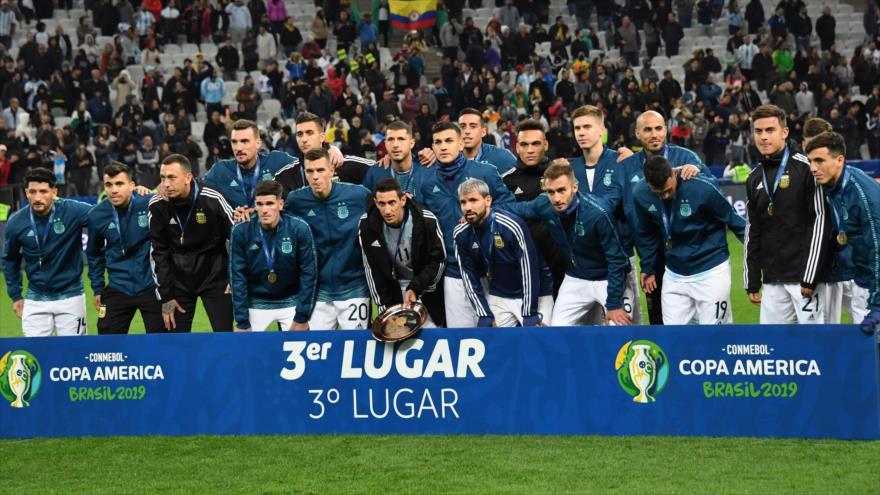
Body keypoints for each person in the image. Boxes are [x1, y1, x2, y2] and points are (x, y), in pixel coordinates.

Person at [502, 164, 633, 326]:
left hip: (608, 279)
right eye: (551, 192)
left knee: (620, 329)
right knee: (558, 330)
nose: (556, 198)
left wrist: (613, 303)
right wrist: (486, 210)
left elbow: (617, 260)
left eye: (562, 190)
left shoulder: (597, 213)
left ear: (575, 187)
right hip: (576, 278)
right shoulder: (544, 205)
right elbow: (518, 209)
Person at [618, 110, 713, 324]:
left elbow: (712, 190)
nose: (654, 134)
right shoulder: (625, 167)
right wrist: (648, 265)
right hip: (652, 256)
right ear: (637, 133)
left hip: (691, 254)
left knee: (699, 319)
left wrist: (697, 169)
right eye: (648, 130)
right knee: (659, 320)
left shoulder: (686, 157)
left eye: (658, 128)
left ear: (666, 130)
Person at [553, 106, 641, 322]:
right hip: (583, 265)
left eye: (587, 127)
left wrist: (635, 164)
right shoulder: (570, 170)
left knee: (626, 332)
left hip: (619, 261)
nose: (581, 133)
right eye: (577, 128)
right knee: (580, 333)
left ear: (601, 130)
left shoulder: (621, 161)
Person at [634, 156, 746, 324]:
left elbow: (736, 222)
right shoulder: (640, 193)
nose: (664, 196)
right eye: (659, 193)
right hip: (674, 273)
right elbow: (647, 234)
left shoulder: (701, 187)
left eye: (668, 190)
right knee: (674, 337)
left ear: (673, 174)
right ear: (648, 184)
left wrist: (759, 257)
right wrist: (648, 268)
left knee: (715, 336)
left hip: (711, 269)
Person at [744, 105, 830, 324]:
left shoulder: (806, 168)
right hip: (772, 281)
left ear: (784, 132)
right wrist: (752, 278)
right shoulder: (754, 178)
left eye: (770, 130)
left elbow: (820, 221)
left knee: (816, 347)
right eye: (758, 131)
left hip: (805, 280)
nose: (763, 137)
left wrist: (810, 277)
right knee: (773, 349)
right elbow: (753, 230)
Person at [428, 121, 516, 328]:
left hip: (490, 268)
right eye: (438, 142)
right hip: (453, 271)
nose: (443, 146)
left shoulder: (485, 172)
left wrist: (485, 214)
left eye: (449, 141)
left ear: (460, 144)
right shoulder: (425, 181)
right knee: (461, 337)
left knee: (498, 334)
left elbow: (509, 205)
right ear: (432, 147)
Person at [283, 148, 371, 330]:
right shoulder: (295, 201)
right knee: (318, 353)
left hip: (354, 287)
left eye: (320, 170)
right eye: (310, 171)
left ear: (332, 170)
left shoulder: (358, 195)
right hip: (318, 292)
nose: (315, 176)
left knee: (356, 349)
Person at [149, 154, 235, 332]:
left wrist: (235, 277)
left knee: (225, 337)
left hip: (215, 278)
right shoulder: (157, 205)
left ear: (188, 178)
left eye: (172, 177)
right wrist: (166, 297)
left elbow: (236, 237)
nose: (165, 184)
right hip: (178, 283)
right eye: (163, 178)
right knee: (176, 343)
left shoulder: (212, 198)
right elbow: (158, 253)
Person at [2, 168, 92, 336]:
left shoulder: (72, 211)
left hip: (71, 296)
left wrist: (136, 195)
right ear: (25, 193)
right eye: (32, 192)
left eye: (43, 191)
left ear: (54, 192)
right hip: (35, 297)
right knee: (36, 355)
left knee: (75, 354)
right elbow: (9, 260)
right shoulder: (16, 221)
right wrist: (15, 295)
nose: (37, 198)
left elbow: (103, 213)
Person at [805, 131, 879, 335]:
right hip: (861, 279)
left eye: (819, 161)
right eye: (811, 161)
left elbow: (878, 249)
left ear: (839, 160)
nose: (813, 168)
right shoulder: (831, 186)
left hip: (873, 286)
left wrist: (877, 305)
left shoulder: (863, 195)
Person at [453, 178, 553, 327]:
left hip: (536, 293)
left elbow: (529, 269)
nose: (468, 207)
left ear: (488, 200)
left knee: (539, 341)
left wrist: (529, 312)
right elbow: (468, 276)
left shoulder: (511, 225)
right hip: (499, 294)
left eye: (473, 200)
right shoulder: (461, 234)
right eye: (463, 202)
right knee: (491, 343)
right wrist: (483, 313)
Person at [229, 180, 317, 331]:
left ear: (281, 204)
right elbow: (238, 278)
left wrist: (302, 316)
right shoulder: (241, 231)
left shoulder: (299, 229)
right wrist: (242, 321)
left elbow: (309, 274)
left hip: (291, 301)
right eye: (260, 204)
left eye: (270, 203)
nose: (264, 210)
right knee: (246, 351)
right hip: (256, 302)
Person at [86, 162, 164, 334]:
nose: (114, 190)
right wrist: (98, 288)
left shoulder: (149, 203)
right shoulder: (97, 215)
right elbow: (93, 254)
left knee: (163, 343)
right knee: (106, 342)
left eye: (119, 184)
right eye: (109, 184)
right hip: (118, 287)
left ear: (132, 186)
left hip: (151, 286)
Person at [358, 178, 447, 327]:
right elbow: (371, 270)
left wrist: (417, 288)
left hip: (424, 286)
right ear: (375, 202)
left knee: (430, 337)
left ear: (403, 200)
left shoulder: (426, 221)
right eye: (381, 204)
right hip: (391, 288)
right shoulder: (367, 225)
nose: (387, 210)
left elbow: (438, 260)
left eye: (392, 203)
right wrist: (384, 309)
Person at [503, 118, 572, 297]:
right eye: (524, 145)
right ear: (517, 147)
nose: (530, 150)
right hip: (523, 268)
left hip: (564, 268)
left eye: (536, 144)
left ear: (546, 145)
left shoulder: (562, 173)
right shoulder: (506, 180)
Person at [803, 118, 854, 325]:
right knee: (828, 328)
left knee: (869, 324)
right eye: (810, 148)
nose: (814, 163)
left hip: (853, 263)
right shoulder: (801, 175)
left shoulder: (847, 178)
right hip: (825, 268)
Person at [203, 119, 298, 221]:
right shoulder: (220, 170)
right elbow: (199, 194)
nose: (238, 148)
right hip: (236, 232)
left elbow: (306, 170)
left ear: (258, 143)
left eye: (244, 141)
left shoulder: (277, 161)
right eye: (234, 142)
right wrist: (229, 213)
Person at [274, 112, 371, 193]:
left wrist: (386, 159)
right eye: (300, 134)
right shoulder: (286, 175)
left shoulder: (343, 163)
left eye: (309, 133)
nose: (304, 139)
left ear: (322, 137)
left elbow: (379, 170)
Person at [458, 108, 517, 175]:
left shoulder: (503, 157)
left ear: (483, 132)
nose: (467, 131)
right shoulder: (448, 159)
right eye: (462, 127)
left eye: (473, 126)